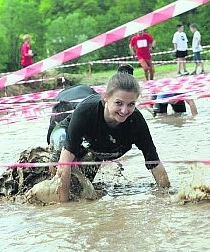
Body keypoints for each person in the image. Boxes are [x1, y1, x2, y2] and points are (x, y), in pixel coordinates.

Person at [54, 72, 171, 202]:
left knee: (82, 189)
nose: (124, 110)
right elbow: (64, 163)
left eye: (131, 104)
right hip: (67, 133)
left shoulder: (136, 122)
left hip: (98, 145)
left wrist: (167, 197)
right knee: (60, 168)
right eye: (119, 103)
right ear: (106, 98)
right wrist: (63, 209)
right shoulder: (85, 112)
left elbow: (154, 162)